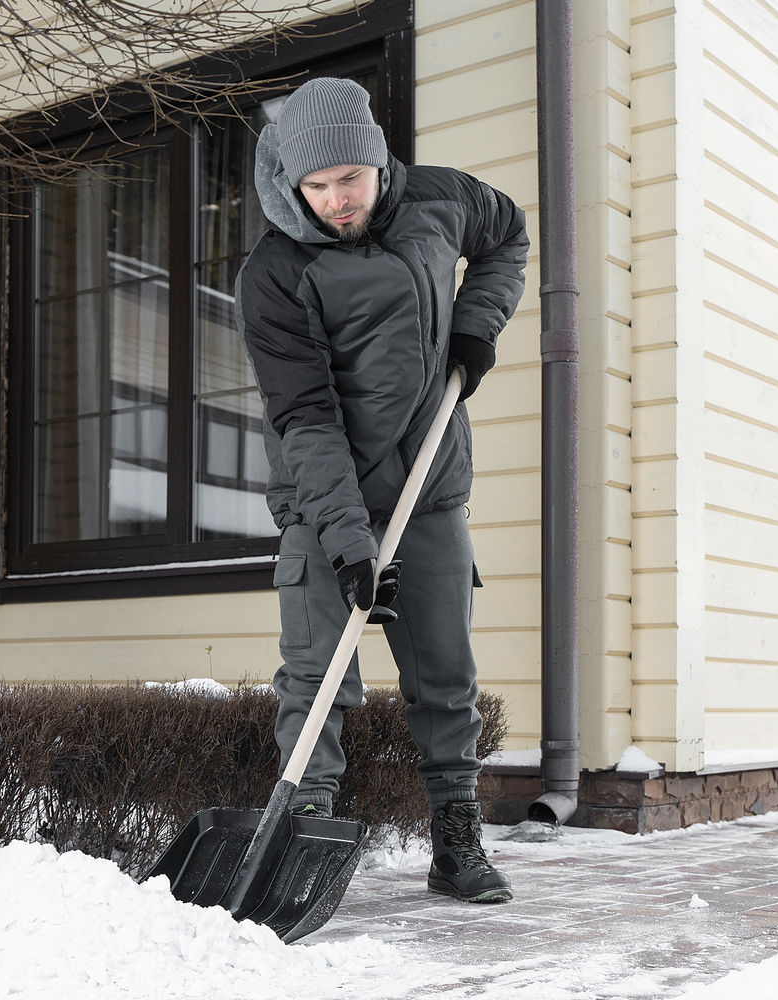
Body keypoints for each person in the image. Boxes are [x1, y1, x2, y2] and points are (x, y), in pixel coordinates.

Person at [235, 77, 529, 903]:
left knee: (444, 674)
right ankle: (304, 831)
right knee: (316, 676)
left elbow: (508, 238)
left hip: (430, 489)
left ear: (376, 159)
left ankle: (455, 841)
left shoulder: (440, 199)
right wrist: (347, 542)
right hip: (324, 494)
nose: (333, 202)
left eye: (349, 181)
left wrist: (476, 326)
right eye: (316, 187)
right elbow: (306, 416)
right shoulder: (275, 272)